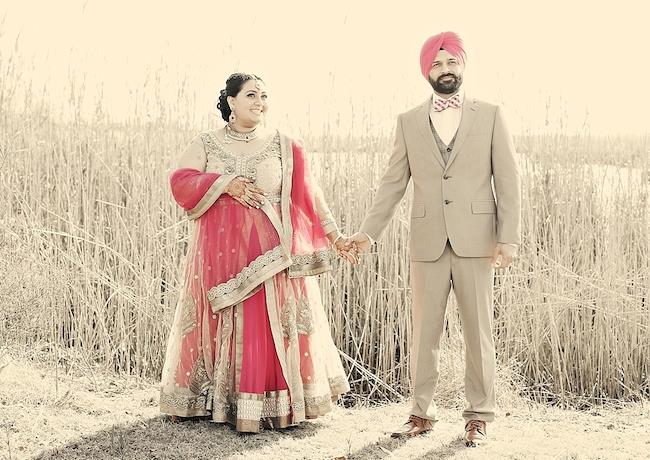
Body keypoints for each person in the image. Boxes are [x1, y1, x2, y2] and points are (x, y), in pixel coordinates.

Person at [346, 32, 521, 446]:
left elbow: (508, 179)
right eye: (437, 64)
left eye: (452, 63)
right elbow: (392, 184)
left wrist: (508, 237)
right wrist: (368, 234)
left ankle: (479, 415)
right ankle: (420, 413)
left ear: (463, 65)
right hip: (426, 241)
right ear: (426, 71)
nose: (445, 70)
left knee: (478, 330)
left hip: (477, 239)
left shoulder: (491, 114)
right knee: (424, 331)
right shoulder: (407, 122)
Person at [159, 73, 354, 433]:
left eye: (264, 95)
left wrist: (337, 237)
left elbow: (311, 196)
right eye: (251, 95)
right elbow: (180, 180)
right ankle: (208, 402)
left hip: (273, 255)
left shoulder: (285, 145)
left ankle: (276, 406)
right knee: (219, 320)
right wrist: (224, 184)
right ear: (231, 101)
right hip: (219, 255)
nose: (259, 102)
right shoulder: (206, 143)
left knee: (267, 324)